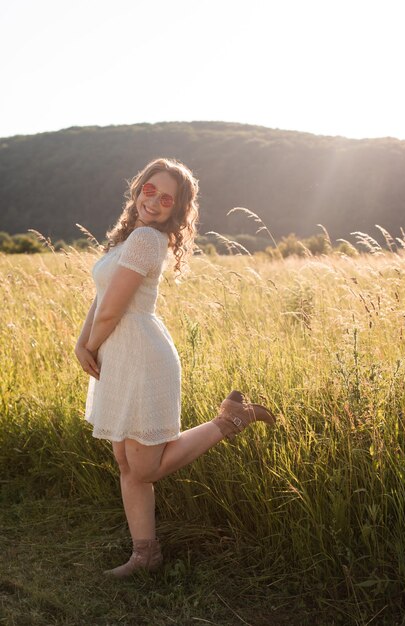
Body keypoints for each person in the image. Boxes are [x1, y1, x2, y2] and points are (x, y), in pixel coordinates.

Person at [74, 157, 276, 577]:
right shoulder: (129, 236)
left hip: (141, 357)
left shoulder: (148, 239)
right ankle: (145, 557)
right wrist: (83, 340)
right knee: (127, 462)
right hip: (119, 354)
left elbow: (113, 309)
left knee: (144, 465)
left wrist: (89, 345)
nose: (154, 201)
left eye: (167, 198)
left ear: (176, 210)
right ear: (138, 188)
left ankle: (230, 421)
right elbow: (102, 297)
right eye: (150, 189)